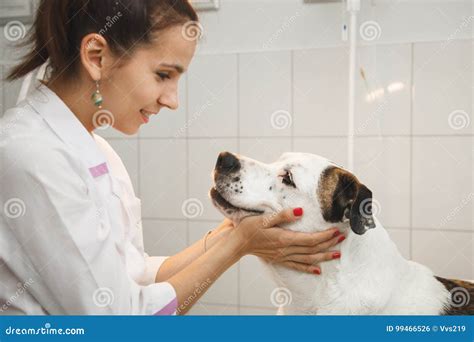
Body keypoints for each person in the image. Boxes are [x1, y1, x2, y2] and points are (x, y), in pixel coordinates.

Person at [0, 0, 344, 315]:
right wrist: (239, 244)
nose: (172, 100)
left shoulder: (95, 149)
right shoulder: (30, 153)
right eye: (163, 75)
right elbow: (119, 321)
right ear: (96, 56)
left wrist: (233, 232)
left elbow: (135, 275)